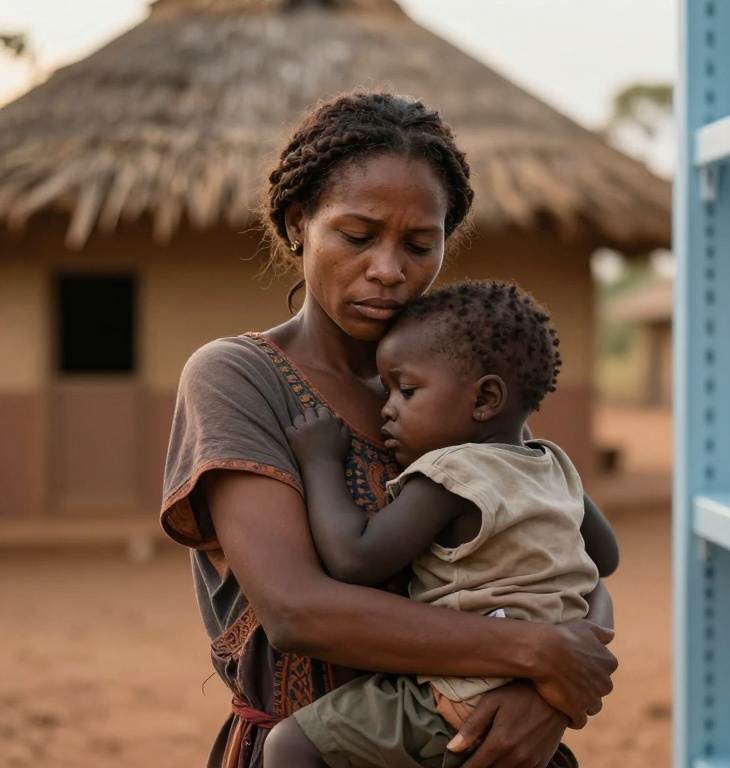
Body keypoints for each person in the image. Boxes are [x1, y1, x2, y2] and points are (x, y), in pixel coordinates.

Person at [160, 91, 618, 768]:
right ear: (297, 224)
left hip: (484, 747)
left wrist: (547, 696)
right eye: (357, 235)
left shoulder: (458, 389)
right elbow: (297, 610)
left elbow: (557, 553)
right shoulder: (238, 379)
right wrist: (537, 653)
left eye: (419, 244)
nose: (388, 270)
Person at [264, 279, 616, 768]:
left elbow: (354, 558)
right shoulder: (551, 463)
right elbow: (606, 557)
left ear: (485, 399)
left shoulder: (450, 475)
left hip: (458, 699)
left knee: (289, 746)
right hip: (535, 689)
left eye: (406, 390)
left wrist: (321, 461)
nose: (387, 408)